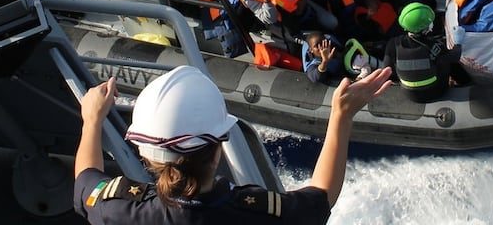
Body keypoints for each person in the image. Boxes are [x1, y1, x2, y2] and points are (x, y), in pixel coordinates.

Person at [74, 64, 392, 224]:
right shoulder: (254, 213)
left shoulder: (119, 209)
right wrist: (342, 115)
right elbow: (322, 197)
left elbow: (85, 182)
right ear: (218, 147)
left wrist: (92, 121)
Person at [382, 2, 468, 102]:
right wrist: (458, 43)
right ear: (425, 28)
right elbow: (454, 56)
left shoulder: (393, 43)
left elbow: (387, 70)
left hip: (409, 94)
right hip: (435, 92)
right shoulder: (433, 45)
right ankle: (465, 83)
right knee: (447, 60)